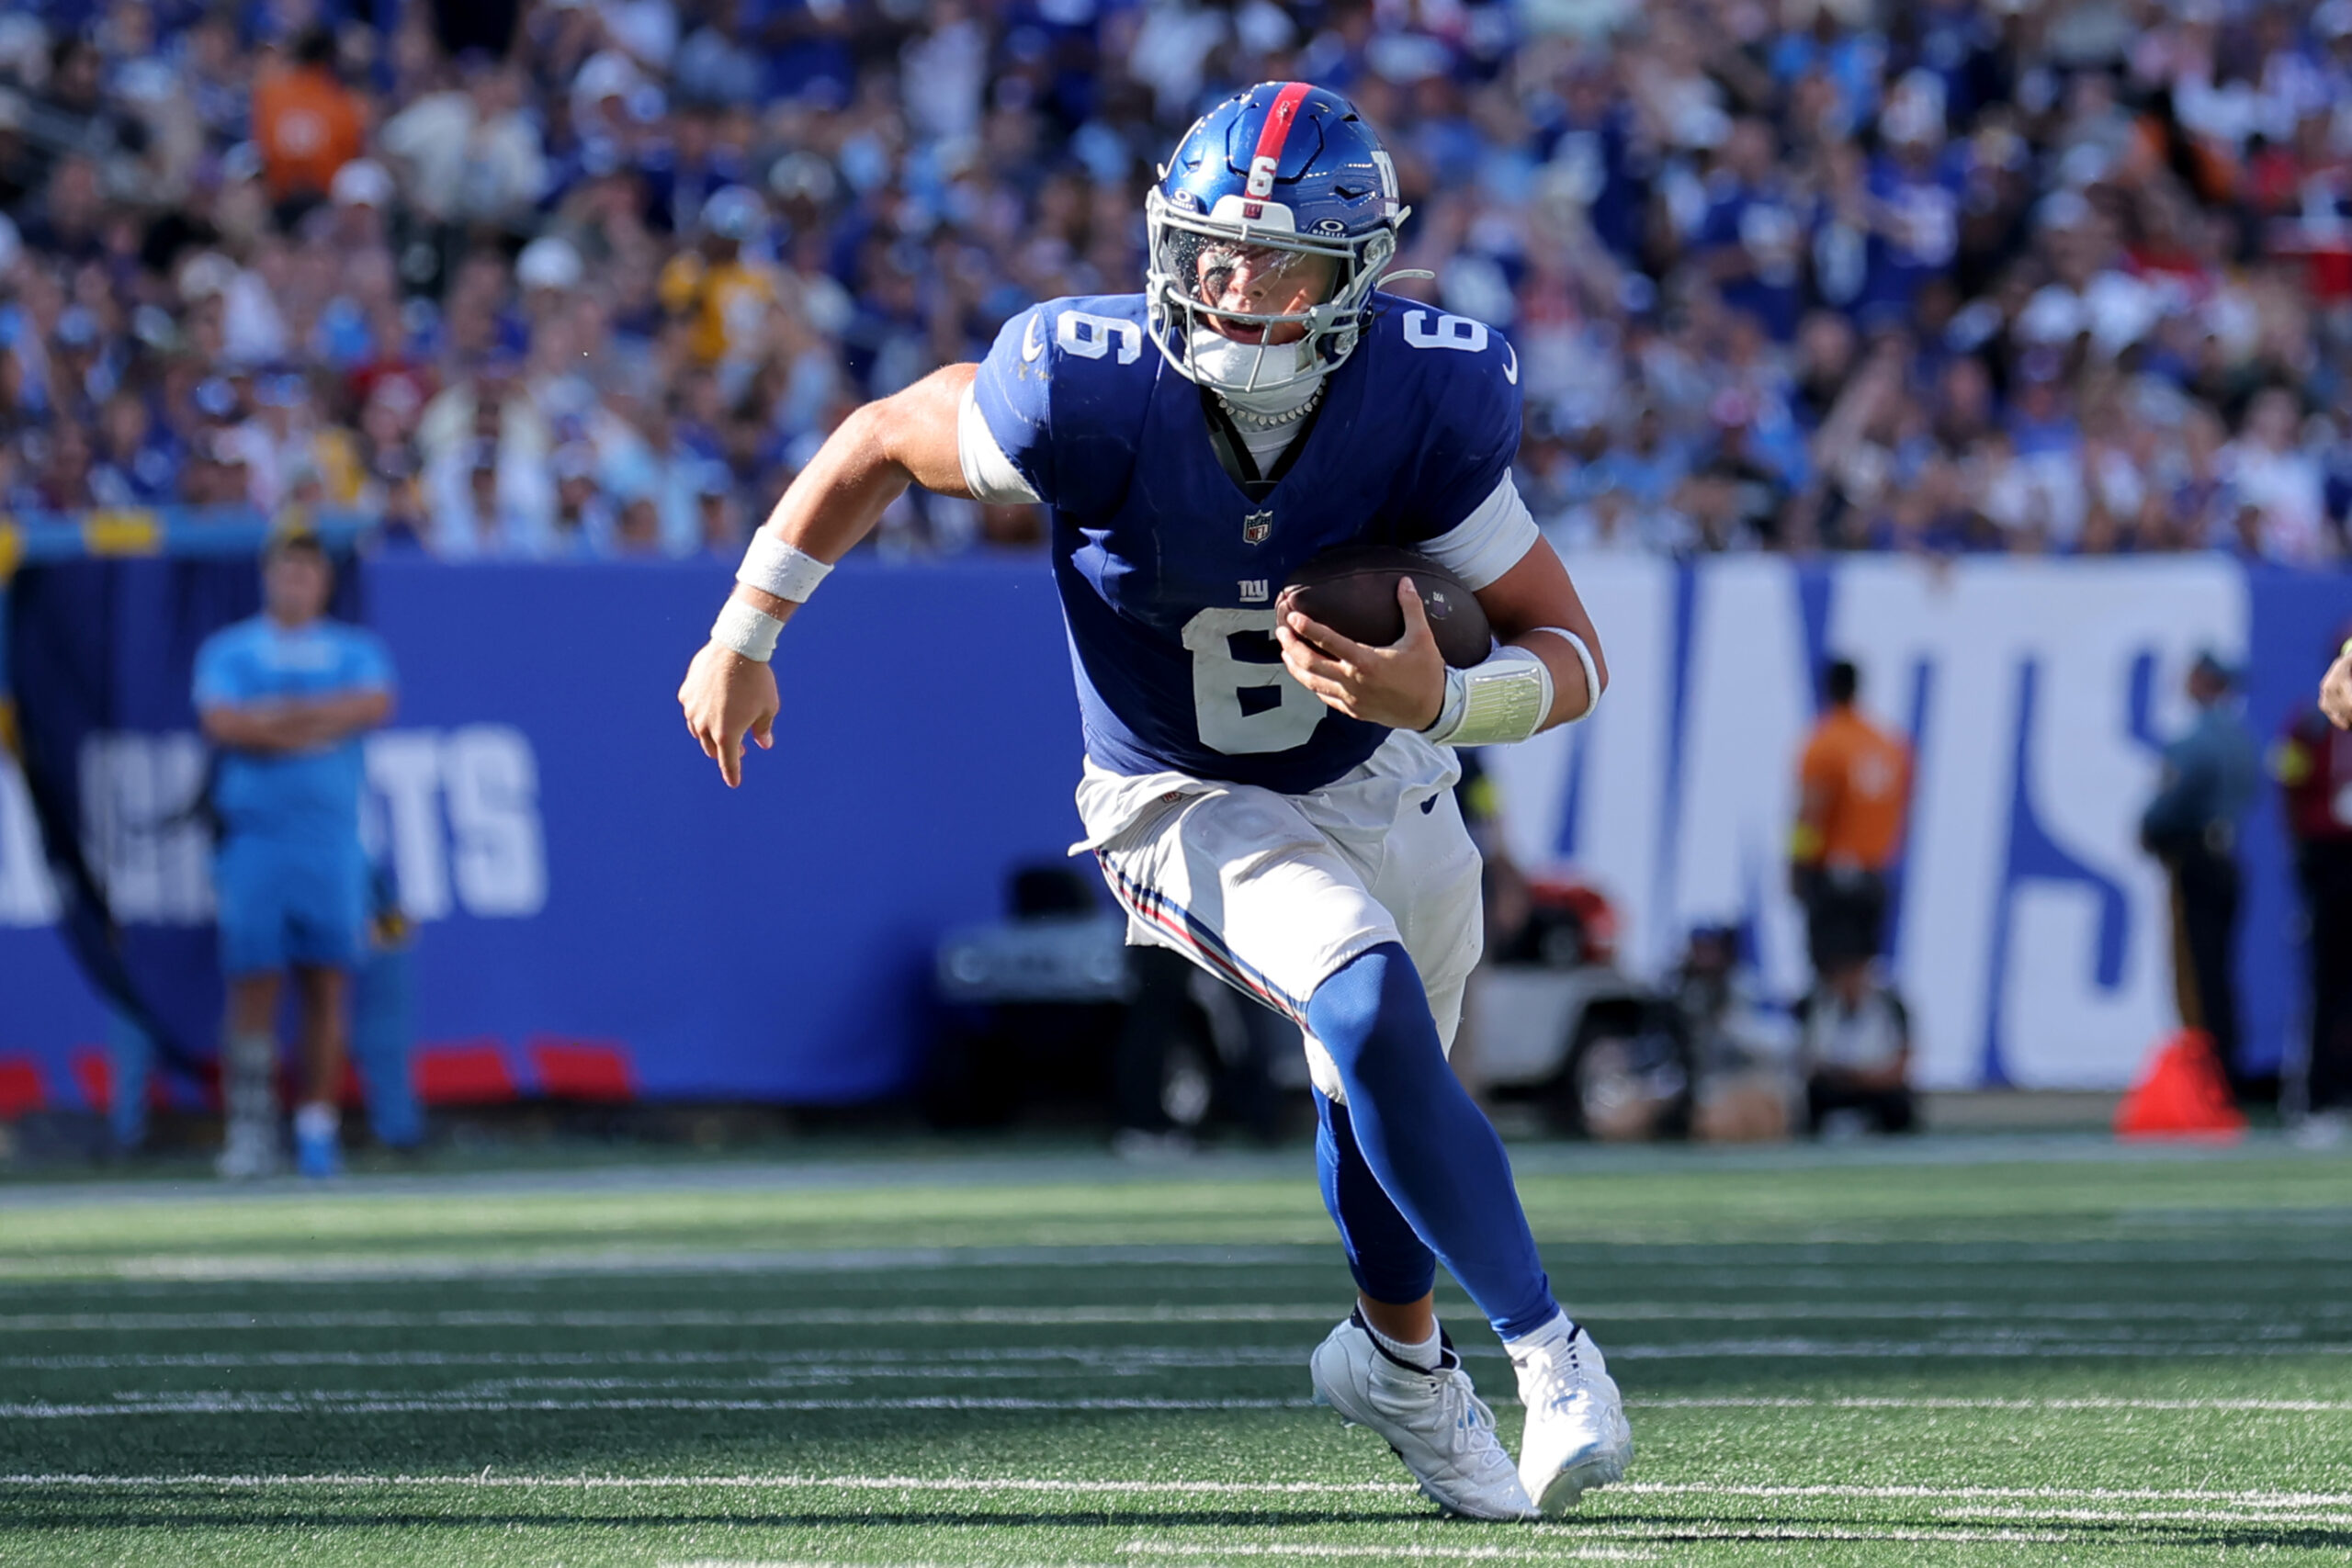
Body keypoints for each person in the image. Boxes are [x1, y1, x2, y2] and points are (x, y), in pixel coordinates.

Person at [678, 84, 1630, 1522]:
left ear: (1358, 275)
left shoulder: (1422, 395)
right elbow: (880, 435)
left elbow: (1572, 652)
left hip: (1378, 768)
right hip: (1177, 790)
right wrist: (744, 631)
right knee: (1362, 1002)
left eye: (1282, 261)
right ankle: (1551, 1352)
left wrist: (1438, 702)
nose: (1237, 288)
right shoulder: (1088, 383)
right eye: (1214, 251)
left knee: (1382, 1078)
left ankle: (1394, 1356)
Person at [193, 532, 396, 1179]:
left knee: (328, 981)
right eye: (286, 568)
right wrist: (317, 721)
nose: (296, 581)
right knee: (253, 981)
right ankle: (250, 1128)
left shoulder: (356, 648)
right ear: (267, 574)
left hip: (330, 840)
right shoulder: (231, 648)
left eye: (307, 570)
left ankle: (317, 1126)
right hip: (256, 837)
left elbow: (372, 704)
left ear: (324, 581)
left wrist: (275, 719)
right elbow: (227, 723)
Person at [2140, 651, 2260, 1101]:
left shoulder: (2196, 742)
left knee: (2194, 973)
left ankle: (2207, 1078)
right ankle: (2228, 1068)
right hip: (2226, 857)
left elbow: (2169, 803)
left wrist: (2149, 828)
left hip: (2193, 860)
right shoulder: (2242, 740)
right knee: (2221, 972)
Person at [1790, 660, 1911, 993]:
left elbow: (1809, 811)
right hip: (1875, 874)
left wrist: (1797, 863)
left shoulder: (1825, 742)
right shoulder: (1889, 744)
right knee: (1863, 968)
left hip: (1833, 874)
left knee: (1829, 971)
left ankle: (1832, 1039)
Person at [2273, 645, 2352, 1145]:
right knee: (2328, 980)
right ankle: (2320, 1096)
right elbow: (2288, 778)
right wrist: (2302, 847)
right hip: (2332, 858)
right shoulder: (2311, 722)